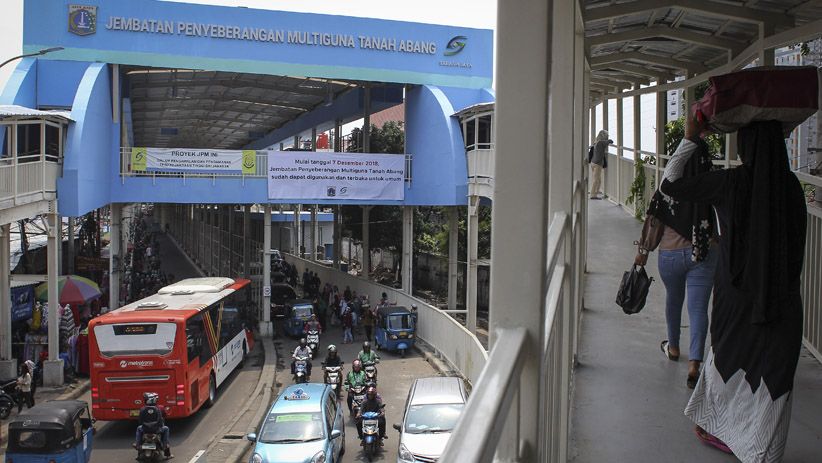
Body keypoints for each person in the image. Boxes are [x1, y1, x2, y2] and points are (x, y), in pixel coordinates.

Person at [662, 114, 807, 461]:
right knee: (772, 375)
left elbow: (670, 184)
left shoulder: (730, 183)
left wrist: (691, 138)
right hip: (782, 298)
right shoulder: (791, 187)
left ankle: (724, 431)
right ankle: (762, 449)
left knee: (728, 362)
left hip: (735, 295)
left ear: (745, 146)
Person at [635, 135, 718, 389]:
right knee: (698, 309)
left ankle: (672, 347)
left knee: (674, 299)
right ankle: (694, 363)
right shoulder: (713, 183)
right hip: (703, 253)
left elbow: (654, 220)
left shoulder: (669, 184)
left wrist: (644, 251)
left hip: (670, 255)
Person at [134, 392, 172, 459]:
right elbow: (161, 420)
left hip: (145, 429)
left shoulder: (142, 409)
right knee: (166, 429)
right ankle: (165, 446)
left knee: (138, 428)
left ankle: (137, 445)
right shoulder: (159, 408)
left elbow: (140, 421)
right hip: (156, 430)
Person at [588, 130, 612, 199]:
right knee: (596, 180)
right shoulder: (601, 142)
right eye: (607, 135)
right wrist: (608, 141)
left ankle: (595, 192)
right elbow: (610, 141)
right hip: (598, 164)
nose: (608, 136)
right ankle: (593, 195)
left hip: (593, 162)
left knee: (598, 180)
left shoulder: (596, 142)